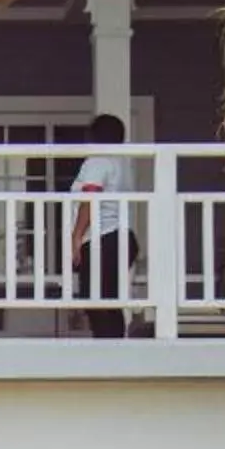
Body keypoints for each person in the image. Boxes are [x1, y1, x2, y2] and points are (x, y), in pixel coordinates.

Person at [66, 113, 137, 337]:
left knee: (95, 300)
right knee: (108, 301)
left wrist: (76, 237)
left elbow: (91, 197)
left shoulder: (98, 161)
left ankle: (107, 349)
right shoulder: (122, 164)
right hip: (121, 238)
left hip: (103, 238)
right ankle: (115, 349)